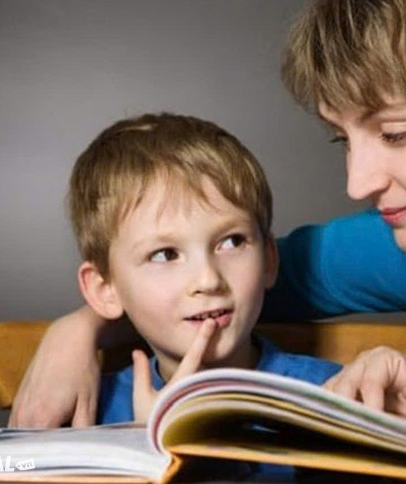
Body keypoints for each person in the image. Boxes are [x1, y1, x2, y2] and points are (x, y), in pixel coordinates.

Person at [10, 0, 406, 465]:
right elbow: (217, 286)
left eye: (395, 134)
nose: (357, 182)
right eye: (344, 140)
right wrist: (80, 329)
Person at [55, 112, 341, 424]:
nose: (208, 280)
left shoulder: (337, 398)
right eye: (165, 255)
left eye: (232, 242)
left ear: (270, 259)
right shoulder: (85, 413)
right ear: (105, 290)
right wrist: (143, 440)